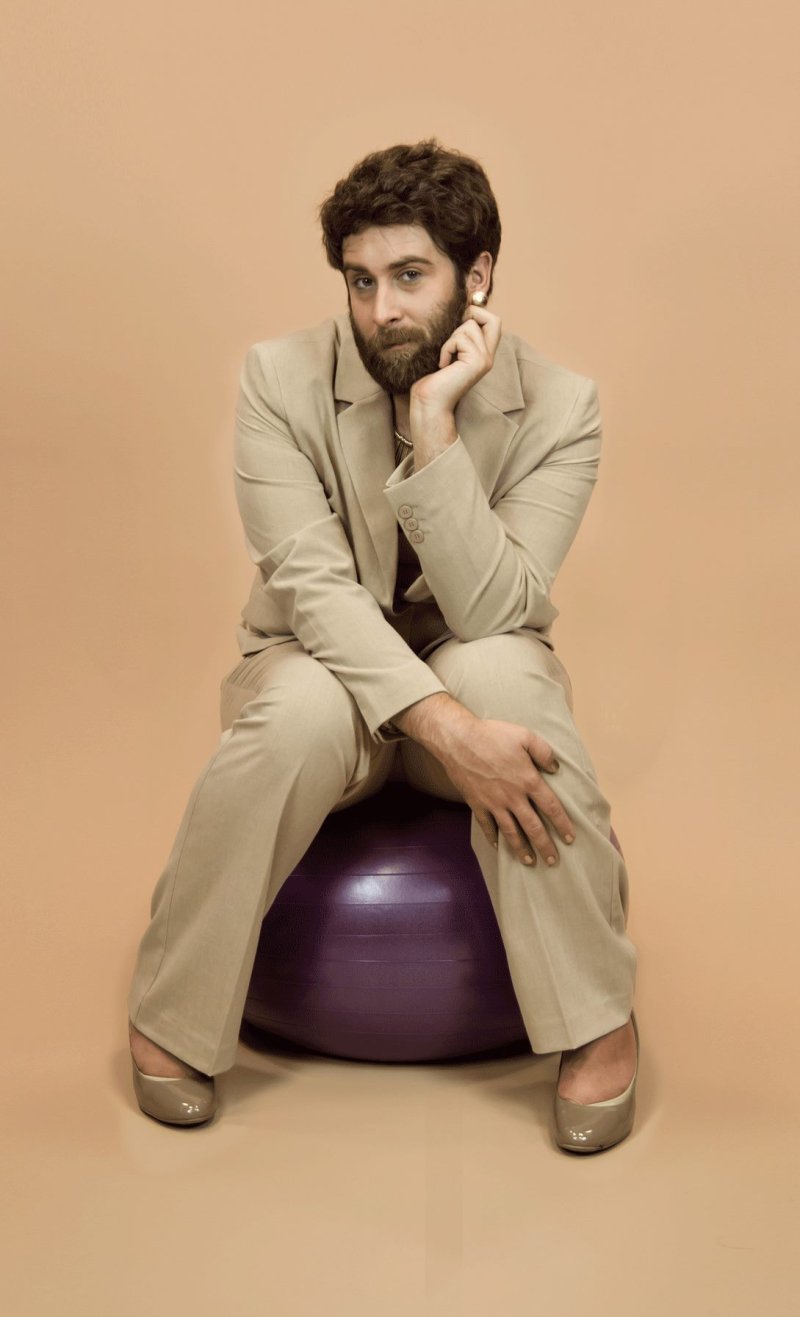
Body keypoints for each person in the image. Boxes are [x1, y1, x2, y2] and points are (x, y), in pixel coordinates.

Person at [127, 138, 639, 1152]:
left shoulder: (561, 407)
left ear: (476, 275)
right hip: (319, 678)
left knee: (502, 671)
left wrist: (435, 424)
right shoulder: (277, 379)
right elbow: (311, 590)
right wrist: (445, 730)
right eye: (360, 282)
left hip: (476, 673)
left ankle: (594, 1016)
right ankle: (172, 1007)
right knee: (305, 703)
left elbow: (496, 607)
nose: (380, 311)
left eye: (410, 276)